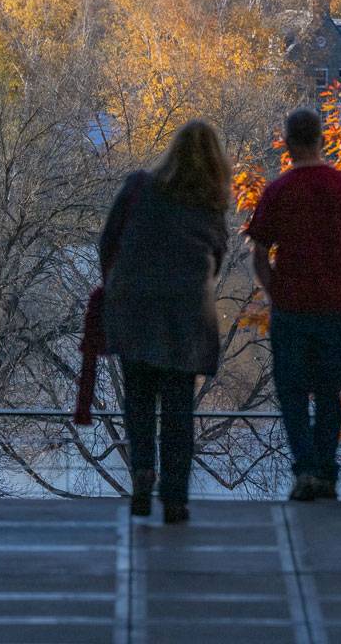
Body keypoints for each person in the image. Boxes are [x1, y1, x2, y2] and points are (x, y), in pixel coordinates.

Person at [245, 108, 341, 502]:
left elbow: (258, 254)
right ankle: (326, 470)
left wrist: (275, 294)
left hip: (291, 310)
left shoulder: (278, 190)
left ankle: (304, 470)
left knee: (291, 393)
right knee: (329, 392)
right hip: (335, 309)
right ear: (322, 139)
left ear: (287, 143)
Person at [99, 120, 230, 524]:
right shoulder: (209, 203)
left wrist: (117, 285)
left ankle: (142, 473)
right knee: (178, 408)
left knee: (138, 399)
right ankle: (175, 497)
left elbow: (107, 241)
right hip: (185, 314)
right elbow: (218, 255)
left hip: (134, 304)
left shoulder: (138, 186)